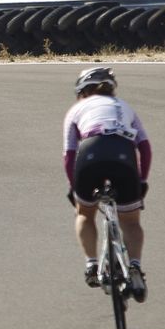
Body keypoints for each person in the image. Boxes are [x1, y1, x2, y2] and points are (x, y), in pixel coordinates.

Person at [62, 66, 150, 301]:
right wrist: (142, 180)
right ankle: (134, 267)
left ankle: (91, 264)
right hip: (124, 155)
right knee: (130, 221)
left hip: (91, 154)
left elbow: (69, 154)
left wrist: (74, 188)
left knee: (84, 213)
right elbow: (144, 147)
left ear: (81, 91)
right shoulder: (124, 106)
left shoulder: (77, 109)